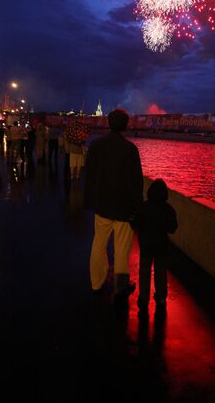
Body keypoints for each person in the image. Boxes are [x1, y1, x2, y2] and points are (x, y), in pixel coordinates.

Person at [84, 109, 143, 299]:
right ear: (125, 125)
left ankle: (96, 282)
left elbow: (90, 176)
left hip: (101, 205)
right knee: (122, 250)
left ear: (108, 123)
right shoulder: (130, 149)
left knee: (98, 244)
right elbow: (135, 182)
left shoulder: (95, 145)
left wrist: (90, 200)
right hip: (123, 208)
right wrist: (137, 208)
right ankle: (120, 287)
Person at [131, 178, 177, 315]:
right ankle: (161, 298)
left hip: (146, 246)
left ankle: (144, 299)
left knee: (144, 272)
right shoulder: (168, 209)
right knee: (161, 272)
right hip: (162, 247)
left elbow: (136, 224)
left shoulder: (144, 207)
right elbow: (173, 228)